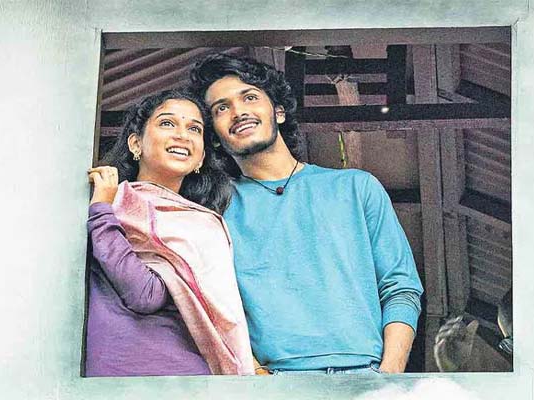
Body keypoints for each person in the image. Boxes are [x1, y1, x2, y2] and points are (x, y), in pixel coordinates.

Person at [189, 54, 424, 375]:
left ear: (279, 112)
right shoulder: (214, 210)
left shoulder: (356, 187)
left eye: (250, 97)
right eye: (221, 108)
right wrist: (255, 378)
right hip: (274, 383)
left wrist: (388, 375)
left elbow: (400, 287)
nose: (238, 111)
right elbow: (208, 307)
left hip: (366, 378)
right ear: (214, 136)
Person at [84, 88, 252, 376]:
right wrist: (103, 206)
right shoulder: (102, 201)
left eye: (194, 129)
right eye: (167, 123)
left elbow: (145, 295)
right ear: (136, 143)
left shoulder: (200, 226)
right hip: (109, 378)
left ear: (200, 158)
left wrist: (101, 213)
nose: (182, 135)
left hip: (177, 381)